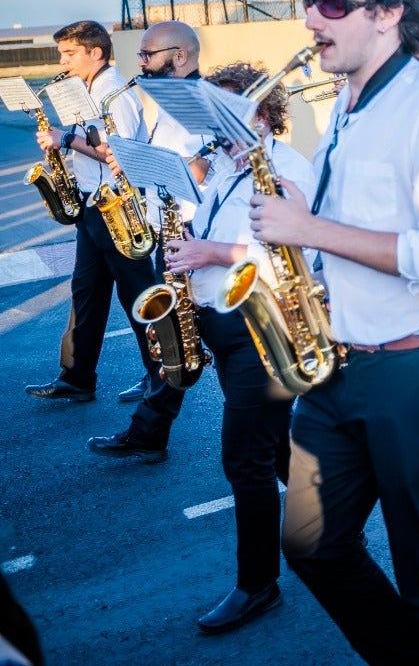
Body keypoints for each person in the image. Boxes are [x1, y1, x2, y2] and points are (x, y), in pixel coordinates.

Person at [252, 0, 419, 663]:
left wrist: (308, 229)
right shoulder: (346, 106)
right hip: (342, 362)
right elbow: (341, 223)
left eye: (330, 4)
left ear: (387, 12)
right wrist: (290, 203)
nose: (310, 20)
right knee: (310, 544)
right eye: (308, 1)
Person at [159, 61, 312, 634]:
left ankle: (258, 586)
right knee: (274, 450)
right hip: (222, 322)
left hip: (261, 327)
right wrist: (192, 241)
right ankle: (330, 520)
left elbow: (290, 251)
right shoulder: (224, 165)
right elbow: (222, 228)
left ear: (261, 112)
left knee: (244, 460)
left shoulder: (288, 167)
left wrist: (212, 254)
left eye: (224, 112)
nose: (213, 126)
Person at [86, 20, 213, 461]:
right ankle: (150, 432)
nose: (140, 63)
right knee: (180, 345)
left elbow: (200, 173)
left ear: (179, 56)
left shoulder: (199, 104)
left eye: (147, 55)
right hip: (173, 236)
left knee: (195, 344)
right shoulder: (170, 101)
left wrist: (143, 168)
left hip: (194, 239)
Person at [24, 21, 158, 404]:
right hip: (90, 205)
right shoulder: (84, 91)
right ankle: (78, 376)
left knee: (140, 298)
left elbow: (125, 154)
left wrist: (65, 138)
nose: (62, 61)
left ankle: (160, 375)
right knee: (86, 293)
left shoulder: (116, 94)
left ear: (95, 52)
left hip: (118, 208)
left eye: (69, 53)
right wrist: (61, 146)